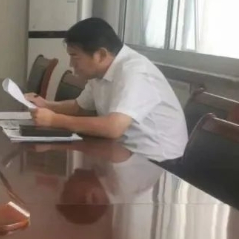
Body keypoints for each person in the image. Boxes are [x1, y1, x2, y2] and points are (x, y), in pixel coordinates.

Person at [25, 18, 187, 166]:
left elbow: (113, 127)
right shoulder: (99, 72)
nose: (71, 64)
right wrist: (46, 105)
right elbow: (79, 108)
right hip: (122, 152)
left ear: (101, 55)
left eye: (75, 56)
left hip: (157, 162)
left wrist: (54, 120)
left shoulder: (134, 71)